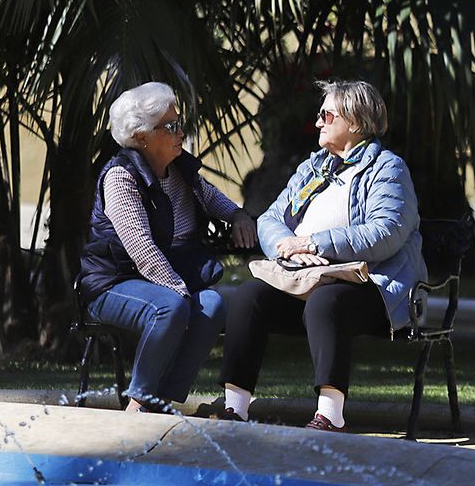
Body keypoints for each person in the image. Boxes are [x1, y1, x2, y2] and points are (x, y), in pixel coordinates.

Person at [219, 80, 423, 432]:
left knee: (326, 302)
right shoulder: (314, 168)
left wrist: (314, 244)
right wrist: (290, 248)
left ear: (356, 122)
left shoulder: (388, 170)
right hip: (305, 277)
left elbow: (385, 232)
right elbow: (270, 219)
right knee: (248, 295)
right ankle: (234, 409)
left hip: (369, 287)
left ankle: (330, 415)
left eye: (327, 115)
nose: (318, 123)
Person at [78, 82, 256, 412]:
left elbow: (211, 197)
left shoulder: (177, 169)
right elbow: (141, 249)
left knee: (213, 304)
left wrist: (238, 215)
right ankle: (140, 403)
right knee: (170, 307)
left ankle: (164, 401)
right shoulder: (121, 176)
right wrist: (180, 292)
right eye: (171, 126)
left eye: (180, 123)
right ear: (141, 136)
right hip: (112, 282)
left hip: (161, 282)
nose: (181, 132)